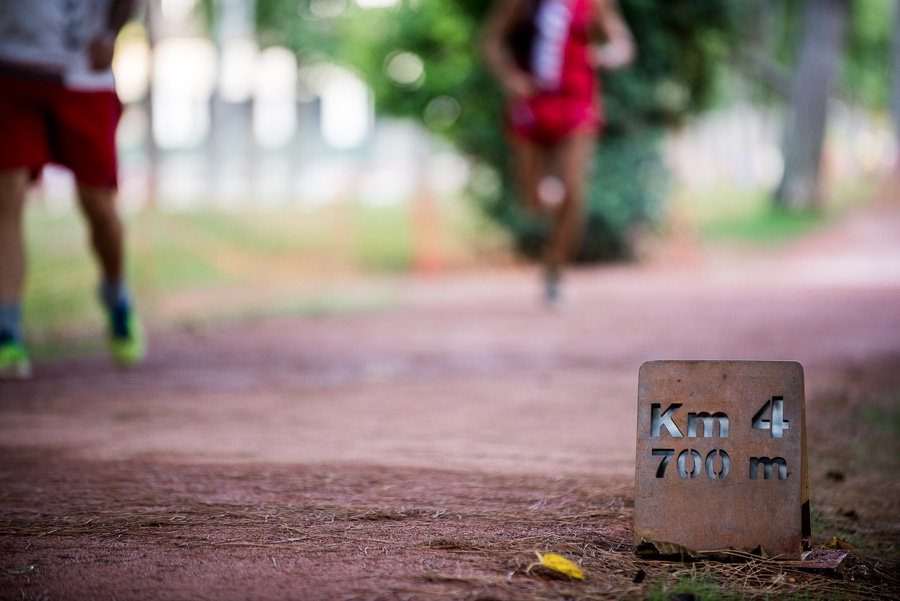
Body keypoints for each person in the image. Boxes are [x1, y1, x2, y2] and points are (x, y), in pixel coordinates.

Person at [0, 0, 145, 378]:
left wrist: (110, 35)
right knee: (7, 199)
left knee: (97, 204)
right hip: (12, 68)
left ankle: (116, 298)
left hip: (82, 72)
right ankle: (7, 333)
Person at [482, 0, 635, 306]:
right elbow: (491, 42)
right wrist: (512, 80)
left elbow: (622, 45)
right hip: (533, 100)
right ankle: (548, 192)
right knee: (532, 200)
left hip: (578, 101)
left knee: (574, 191)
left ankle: (555, 274)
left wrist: (609, 55)